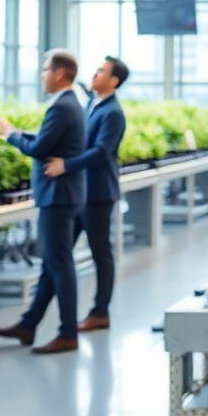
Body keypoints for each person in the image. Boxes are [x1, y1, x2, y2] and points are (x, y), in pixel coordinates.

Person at [0, 49, 88, 354]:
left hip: (57, 197)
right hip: (65, 195)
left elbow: (41, 147)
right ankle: (28, 325)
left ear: (59, 73)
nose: (42, 75)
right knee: (53, 265)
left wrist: (9, 136)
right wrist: (19, 132)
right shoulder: (69, 104)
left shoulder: (62, 107)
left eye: (46, 70)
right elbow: (49, 139)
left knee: (60, 265)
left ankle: (68, 333)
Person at [43, 56, 129, 333]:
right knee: (59, 253)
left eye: (101, 71)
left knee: (100, 252)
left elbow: (100, 151)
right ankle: (31, 319)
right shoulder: (92, 105)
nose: (95, 74)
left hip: (98, 193)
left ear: (113, 81)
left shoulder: (113, 113)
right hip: (81, 192)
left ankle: (100, 312)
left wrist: (65, 165)